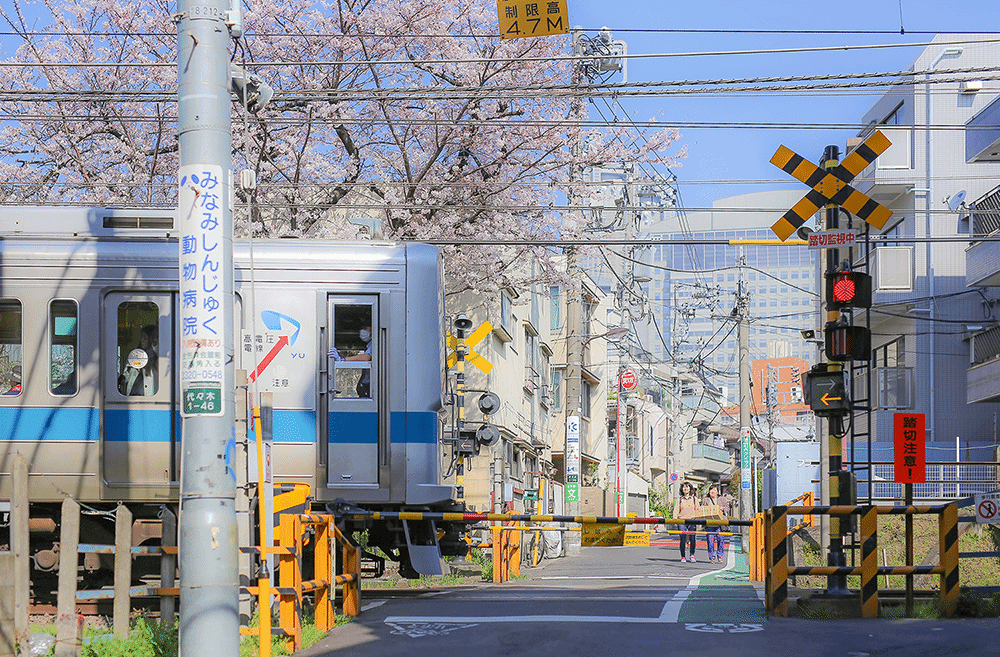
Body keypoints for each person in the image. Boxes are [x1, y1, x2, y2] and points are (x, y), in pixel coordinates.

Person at [328, 325, 372, 397]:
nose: (363, 331)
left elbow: (366, 357)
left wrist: (343, 360)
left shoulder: (375, 343)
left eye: (365, 328)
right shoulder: (370, 345)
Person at [119, 325, 158, 396]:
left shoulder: (156, 360)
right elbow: (126, 377)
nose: (141, 340)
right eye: (141, 337)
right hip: (132, 396)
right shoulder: (134, 357)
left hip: (148, 399)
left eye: (145, 338)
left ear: (151, 340)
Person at [702, 483, 731, 563]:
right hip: (709, 523)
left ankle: (720, 555)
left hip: (720, 523)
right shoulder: (706, 500)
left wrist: (722, 508)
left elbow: (728, 508)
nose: (713, 492)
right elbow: (702, 509)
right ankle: (711, 557)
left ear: (718, 492)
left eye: (715, 490)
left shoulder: (722, 499)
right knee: (710, 541)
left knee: (721, 540)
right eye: (711, 490)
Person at [673, 481, 699, 563]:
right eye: (684, 487)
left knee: (692, 538)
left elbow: (698, 510)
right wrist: (675, 519)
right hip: (682, 520)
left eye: (687, 487)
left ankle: (692, 555)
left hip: (692, 520)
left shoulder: (694, 499)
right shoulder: (680, 500)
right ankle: (683, 556)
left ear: (690, 488)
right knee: (683, 539)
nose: (685, 488)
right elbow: (676, 510)